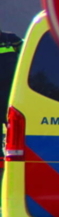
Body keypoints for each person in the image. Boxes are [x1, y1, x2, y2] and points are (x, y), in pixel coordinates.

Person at [0, 24, 22, 159]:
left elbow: (25, 54)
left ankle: (11, 151)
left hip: (11, 90)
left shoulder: (11, 38)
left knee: (12, 123)